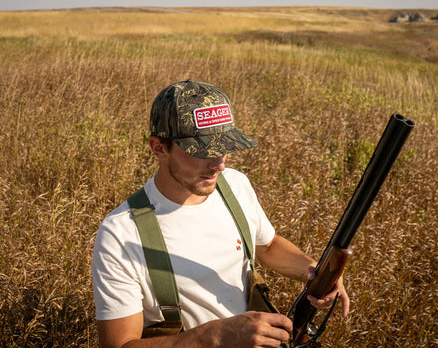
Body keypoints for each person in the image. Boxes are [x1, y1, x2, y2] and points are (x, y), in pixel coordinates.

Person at [92, 79, 349, 348]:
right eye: (201, 151)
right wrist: (214, 338)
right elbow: (120, 346)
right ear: (158, 148)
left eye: (224, 147)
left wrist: (318, 273)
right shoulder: (121, 234)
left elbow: (269, 246)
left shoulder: (235, 186)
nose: (219, 165)